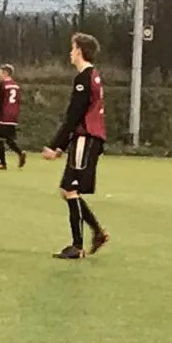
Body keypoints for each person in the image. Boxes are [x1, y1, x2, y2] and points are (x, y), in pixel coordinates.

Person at [41, 33, 109, 259]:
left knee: (71, 189)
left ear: (79, 50)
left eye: (72, 48)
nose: (70, 53)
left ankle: (77, 246)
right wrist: (63, 146)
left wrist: (55, 145)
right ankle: (97, 233)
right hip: (86, 138)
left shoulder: (84, 79)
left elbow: (74, 116)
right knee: (67, 190)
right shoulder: (93, 76)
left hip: (86, 139)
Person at [0, 64, 26, 170]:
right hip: (13, 116)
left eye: (0, 72)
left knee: (0, 139)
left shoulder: (3, 85)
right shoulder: (16, 86)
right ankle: (20, 153)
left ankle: (3, 163)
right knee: (9, 139)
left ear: (5, 73)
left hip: (3, 116)